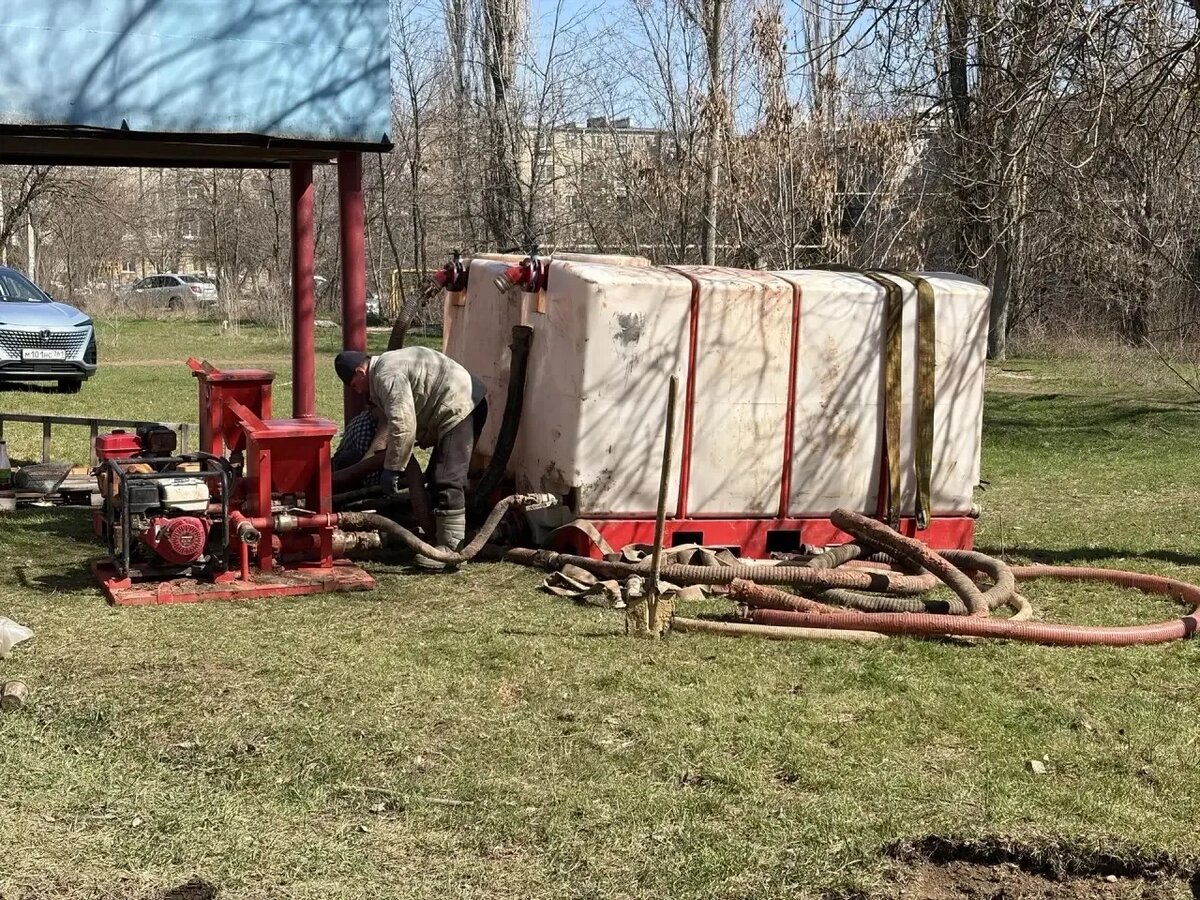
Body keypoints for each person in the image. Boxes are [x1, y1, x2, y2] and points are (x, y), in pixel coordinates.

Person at [333, 347, 487, 568]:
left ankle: (451, 552)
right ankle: (438, 540)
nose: (358, 392)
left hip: (461, 405)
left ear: (360, 371)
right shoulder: (387, 366)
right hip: (462, 400)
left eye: (355, 385)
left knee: (447, 478)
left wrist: (393, 468)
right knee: (436, 476)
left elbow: (402, 423)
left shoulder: (387, 375)